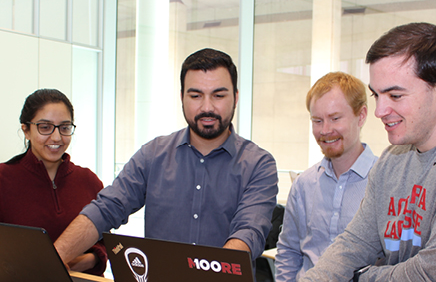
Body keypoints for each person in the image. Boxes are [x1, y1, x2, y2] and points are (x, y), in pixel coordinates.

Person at [257, 22, 436, 282]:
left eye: (395, 96)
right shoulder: (393, 161)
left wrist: (363, 280)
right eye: (377, 95)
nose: (380, 111)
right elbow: (354, 244)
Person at [54, 48, 278, 268]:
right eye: (195, 95)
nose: (207, 107)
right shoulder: (152, 155)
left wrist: (209, 279)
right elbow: (106, 209)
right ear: (182, 97)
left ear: (235, 97)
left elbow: (249, 231)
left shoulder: (259, 165)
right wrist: (50, 262)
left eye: (218, 95)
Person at [274, 72, 377, 282]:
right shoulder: (304, 184)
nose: (325, 130)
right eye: (317, 120)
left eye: (335, 118)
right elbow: (289, 250)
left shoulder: (385, 182)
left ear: (361, 116)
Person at [0, 89, 107, 276]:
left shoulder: (89, 181)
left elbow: (108, 247)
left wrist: (71, 263)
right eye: (45, 127)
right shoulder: (3, 179)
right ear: (26, 130)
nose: (57, 137)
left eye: (64, 127)